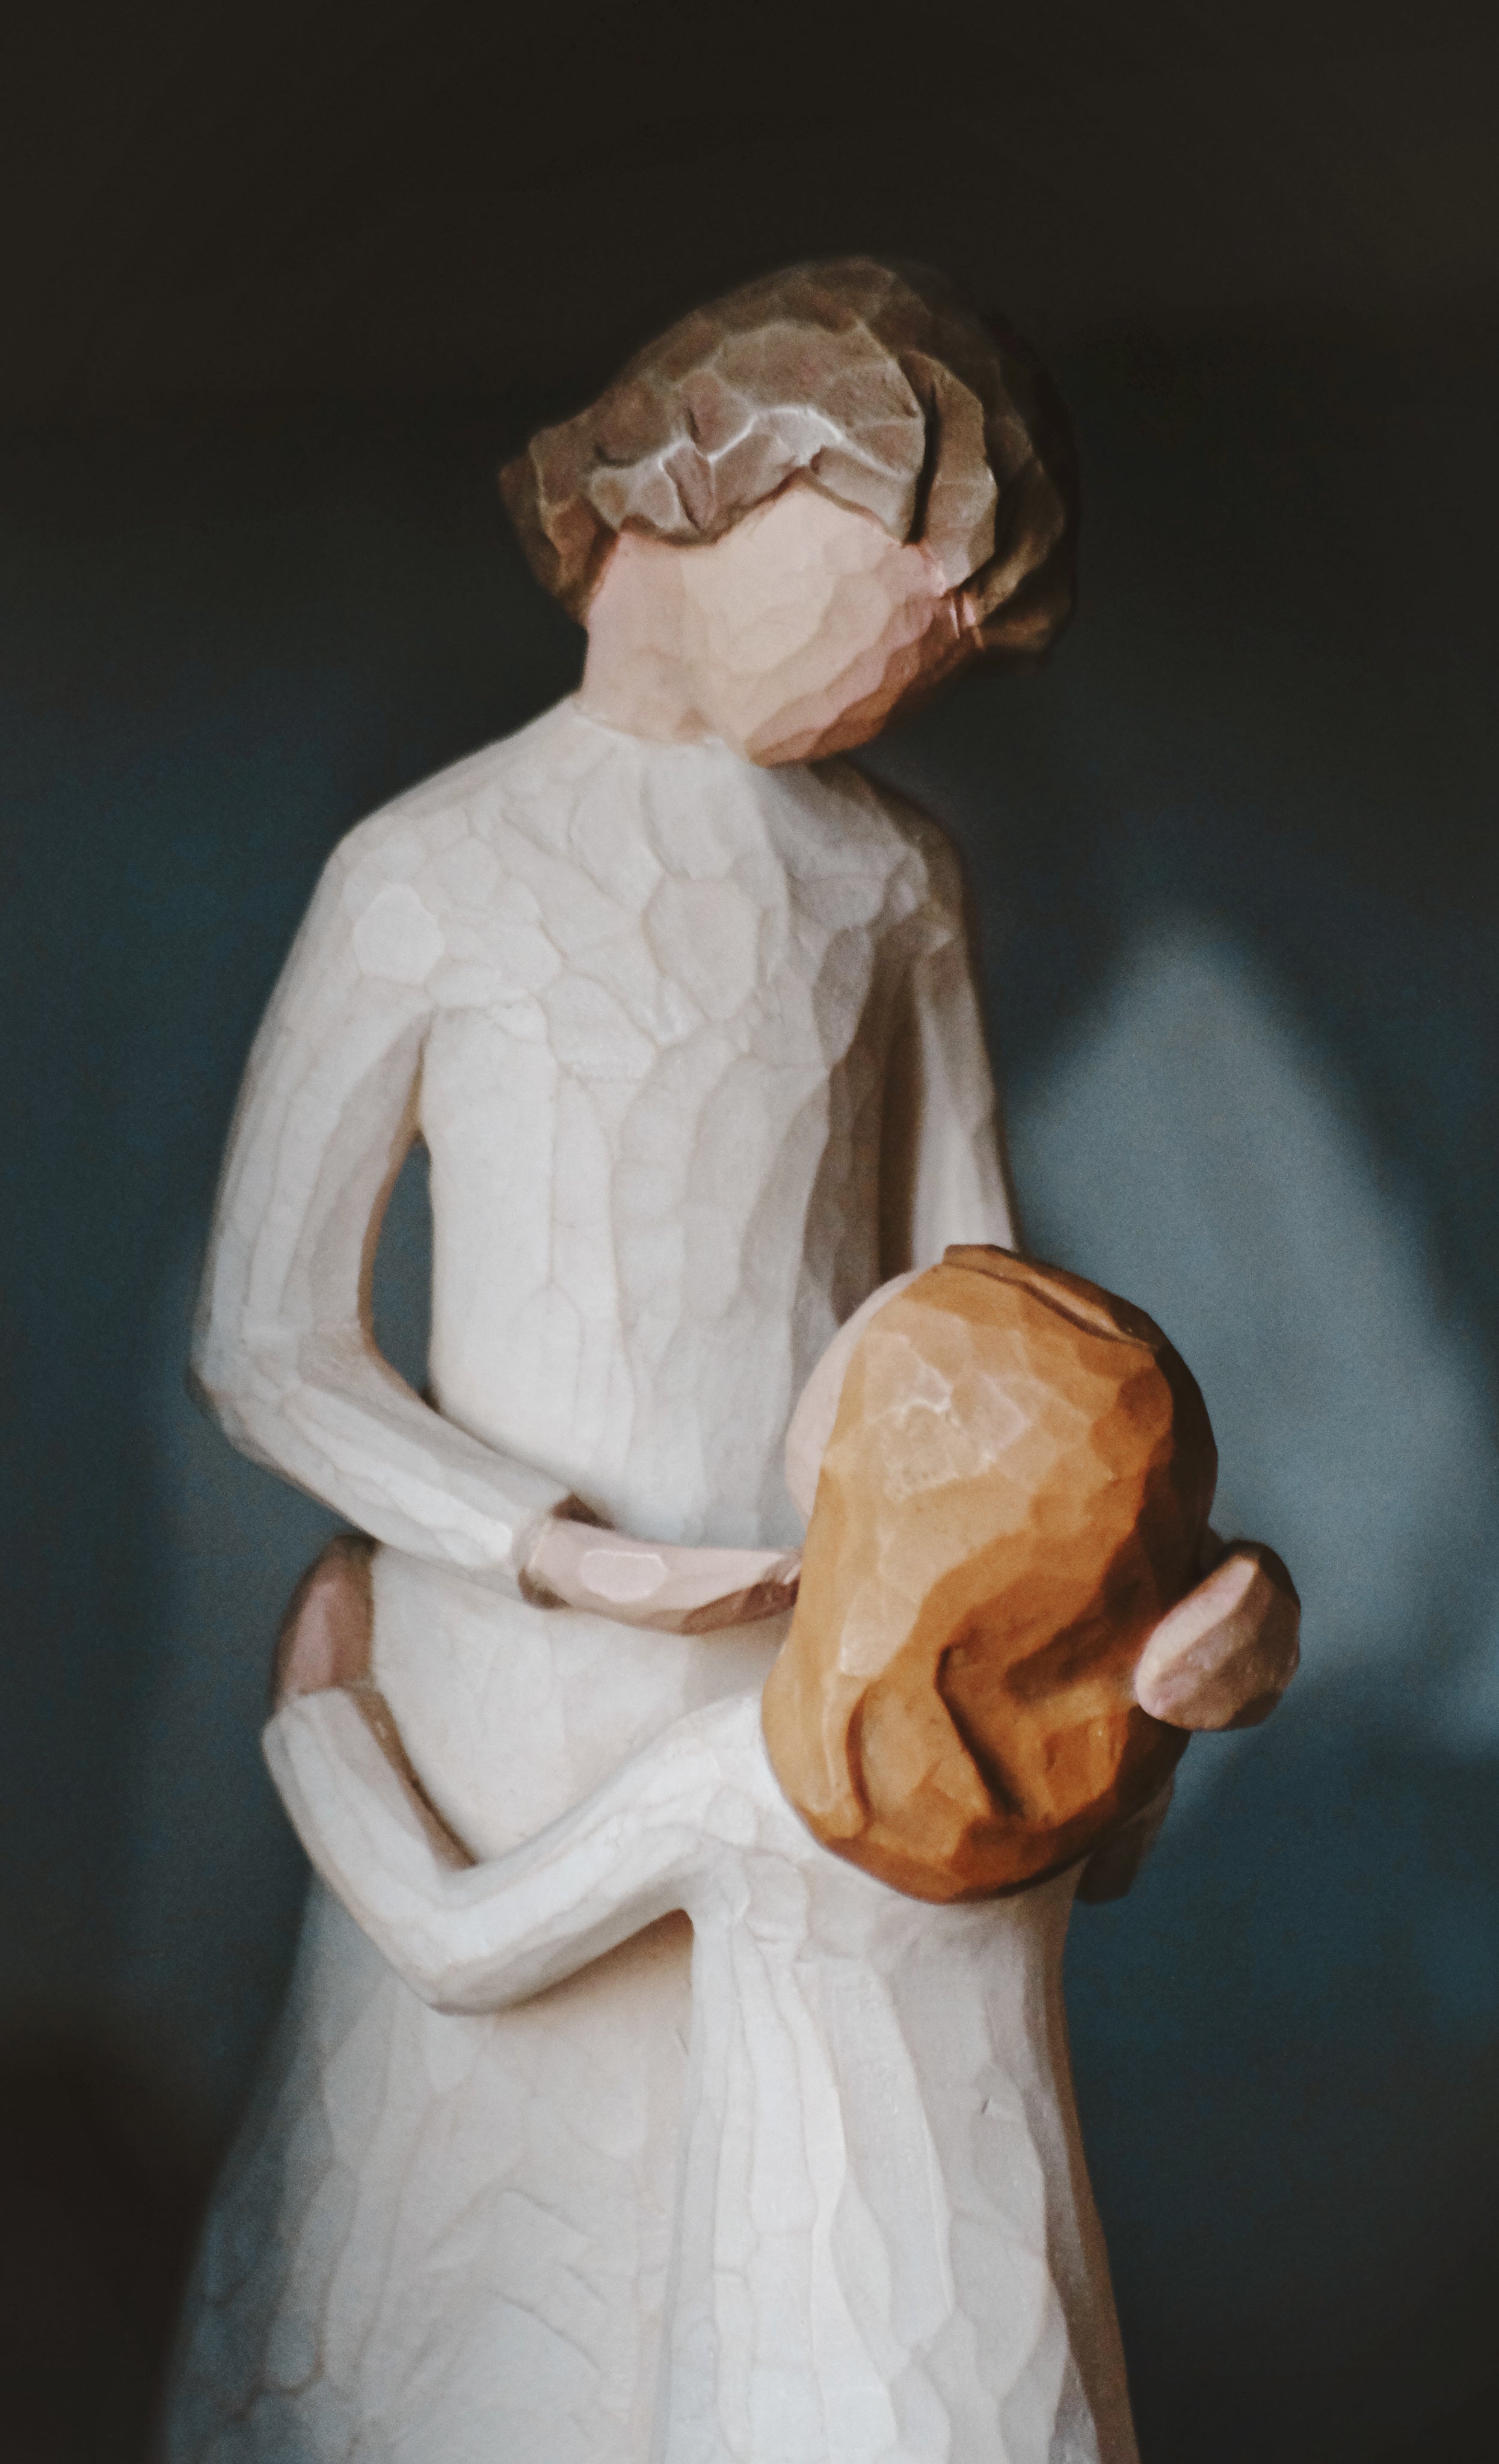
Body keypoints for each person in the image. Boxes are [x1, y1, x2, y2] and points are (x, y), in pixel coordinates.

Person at [162, 260, 1289, 2462]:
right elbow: (267, 1339)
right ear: (713, 485)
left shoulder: (889, 884)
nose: (919, 658)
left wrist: (1117, 1598)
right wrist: (545, 1550)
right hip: (507, 1694)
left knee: (780, 2239)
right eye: (901, 591)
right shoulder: (427, 873)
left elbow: (981, 1309)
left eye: (955, 641)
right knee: (451, 2250)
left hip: (835, 1687)